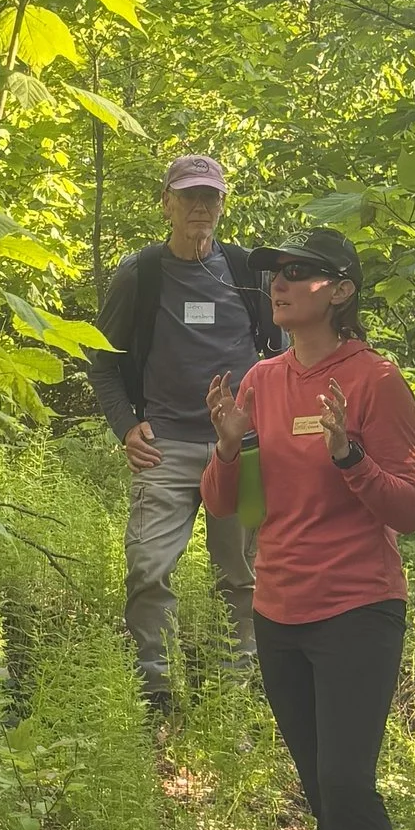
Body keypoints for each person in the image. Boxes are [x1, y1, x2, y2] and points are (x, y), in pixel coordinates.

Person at [202, 229, 415, 830]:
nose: (281, 282)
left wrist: (349, 456)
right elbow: (227, 504)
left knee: (345, 778)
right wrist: (229, 444)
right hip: (279, 610)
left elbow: (411, 508)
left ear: (343, 291)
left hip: (357, 607)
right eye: (276, 271)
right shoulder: (262, 380)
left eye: (302, 273)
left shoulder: (375, 380)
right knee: (318, 780)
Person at [89, 151, 275, 708]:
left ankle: (233, 698)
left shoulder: (246, 274)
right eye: (189, 196)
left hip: (240, 451)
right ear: (167, 203)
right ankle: (157, 695)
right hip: (164, 446)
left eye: (210, 197)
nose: (200, 206)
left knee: (242, 579)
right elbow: (100, 359)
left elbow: (280, 362)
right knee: (147, 569)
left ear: (222, 204)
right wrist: (126, 426)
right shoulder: (141, 273)